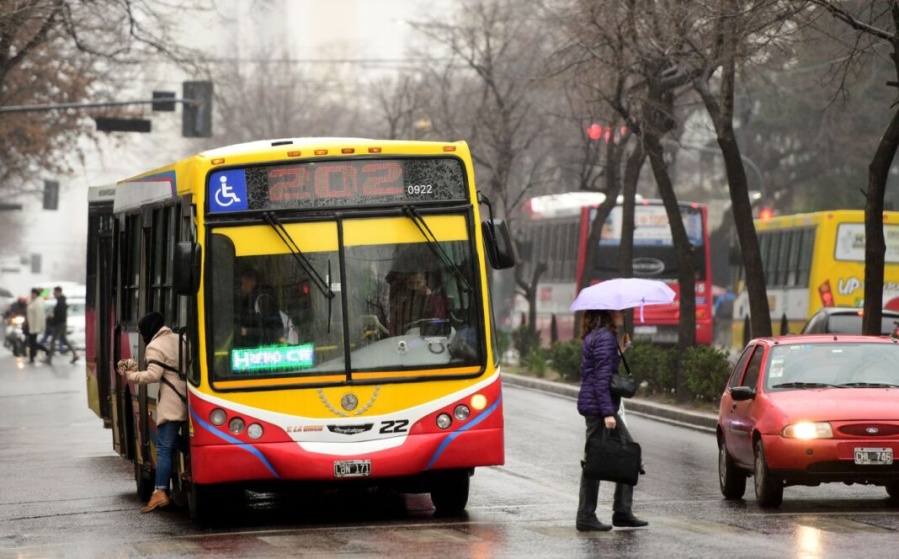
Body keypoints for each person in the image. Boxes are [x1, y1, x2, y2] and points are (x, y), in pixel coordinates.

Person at [575, 308, 648, 532]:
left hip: (597, 406)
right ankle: (588, 516)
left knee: (623, 454)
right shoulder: (605, 337)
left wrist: (621, 349)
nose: (623, 314)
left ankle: (621, 512)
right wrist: (607, 413)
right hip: (600, 409)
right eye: (619, 311)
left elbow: (603, 370)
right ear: (607, 312)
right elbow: (601, 379)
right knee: (597, 461)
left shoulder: (597, 335)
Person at [116, 311, 188, 513]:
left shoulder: (155, 345)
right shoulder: (179, 339)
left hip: (172, 401)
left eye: (142, 332)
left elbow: (154, 375)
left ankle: (160, 491)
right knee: (169, 441)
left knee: (163, 447)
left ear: (149, 330)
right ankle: (191, 454)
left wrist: (131, 375)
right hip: (186, 396)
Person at [387, 271, 448, 335]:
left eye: (418, 283)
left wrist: (430, 298)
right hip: (403, 336)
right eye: (411, 283)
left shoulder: (435, 300)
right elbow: (391, 319)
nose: (414, 287)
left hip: (425, 335)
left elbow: (439, 322)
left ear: (424, 283)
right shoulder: (400, 300)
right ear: (406, 284)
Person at [235, 267, 282, 346]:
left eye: (243, 283)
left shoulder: (261, 301)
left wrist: (246, 331)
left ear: (251, 282)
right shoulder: (251, 300)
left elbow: (271, 331)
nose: (242, 288)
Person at [44, 286, 79, 364]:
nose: (54, 294)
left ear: (58, 292)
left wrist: (52, 318)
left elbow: (60, 315)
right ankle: (75, 354)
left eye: (55, 292)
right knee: (64, 340)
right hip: (61, 323)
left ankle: (49, 358)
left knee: (53, 341)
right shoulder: (61, 301)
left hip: (59, 324)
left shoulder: (61, 302)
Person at [24, 288, 48, 364]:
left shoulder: (38, 302)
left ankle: (34, 356)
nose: (31, 295)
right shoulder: (33, 301)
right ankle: (33, 356)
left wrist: (38, 327)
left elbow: (39, 316)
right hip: (31, 324)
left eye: (33, 293)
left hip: (34, 325)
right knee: (32, 342)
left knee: (32, 342)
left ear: (36, 294)